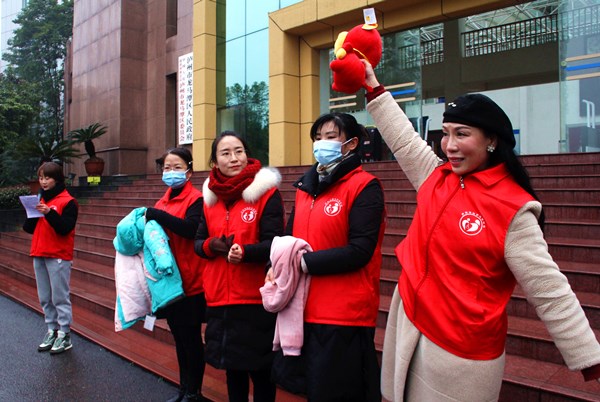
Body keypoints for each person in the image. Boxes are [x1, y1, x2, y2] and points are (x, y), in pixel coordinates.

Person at [361, 61, 600, 401]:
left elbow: (549, 289)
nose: (449, 145)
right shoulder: (436, 177)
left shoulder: (514, 209)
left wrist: (590, 358)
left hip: (461, 351)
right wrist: (373, 87)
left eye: (462, 134)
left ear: (491, 140)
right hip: (410, 321)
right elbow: (403, 139)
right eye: (446, 133)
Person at [268, 112, 386, 402]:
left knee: (339, 392)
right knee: (312, 390)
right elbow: (288, 238)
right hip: (303, 308)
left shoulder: (365, 186)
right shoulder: (305, 188)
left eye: (331, 137)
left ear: (351, 143)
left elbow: (360, 250)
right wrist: (275, 266)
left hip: (343, 313)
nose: (322, 144)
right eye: (317, 138)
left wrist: (304, 263)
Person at [194, 131, 284, 402]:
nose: (234, 158)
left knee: (261, 371)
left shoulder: (266, 193)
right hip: (220, 299)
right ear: (215, 162)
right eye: (225, 153)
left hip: (255, 300)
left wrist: (244, 252)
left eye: (239, 151)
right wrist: (213, 246)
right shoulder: (210, 197)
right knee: (232, 371)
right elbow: (198, 242)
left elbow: (275, 243)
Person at [144, 147, 211, 402]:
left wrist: (157, 215)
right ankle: (184, 388)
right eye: (166, 168)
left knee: (191, 339)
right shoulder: (163, 200)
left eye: (176, 167)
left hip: (190, 282)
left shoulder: (196, 199)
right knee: (180, 339)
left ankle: (194, 392)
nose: (170, 172)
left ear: (189, 171)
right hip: (168, 283)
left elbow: (192, 229)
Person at [23, 161, 79, 354]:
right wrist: (32, 212)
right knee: (45, 297)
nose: (43, 181)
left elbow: (65, 228)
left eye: (47, 177)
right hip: (39, 252)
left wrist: (49, 213)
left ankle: (65, 334)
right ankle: (51, 330)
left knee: (59, 297)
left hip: (58, 255)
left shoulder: (68, 201)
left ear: (57, 179)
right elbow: (28, 229)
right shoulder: (41, 200)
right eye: (41, 178)